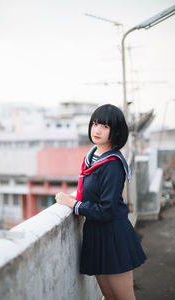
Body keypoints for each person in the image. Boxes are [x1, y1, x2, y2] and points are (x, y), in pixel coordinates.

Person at [55, 104, 146, 300]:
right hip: (96, 234)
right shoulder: (93, 157)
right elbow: (95, 194)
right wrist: (76, 199)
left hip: (113, 235)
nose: (97, 130)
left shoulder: (112, 164)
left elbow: (107, 210)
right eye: (95, 124)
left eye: (105, 126)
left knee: (124, 298)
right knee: (109, 296)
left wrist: (73, 204)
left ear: (117, 131)